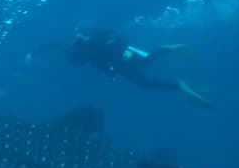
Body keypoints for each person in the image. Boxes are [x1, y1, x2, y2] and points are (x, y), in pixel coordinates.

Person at [58, 28, 212, 109]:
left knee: (146, 64)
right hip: (121, 63)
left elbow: (107, 55)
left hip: (122, 58)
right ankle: (178, 84)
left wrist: (112, 68)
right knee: (145, 76)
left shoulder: (90, 47)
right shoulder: (89, 52)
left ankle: (168, 50)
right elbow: (104, 65)